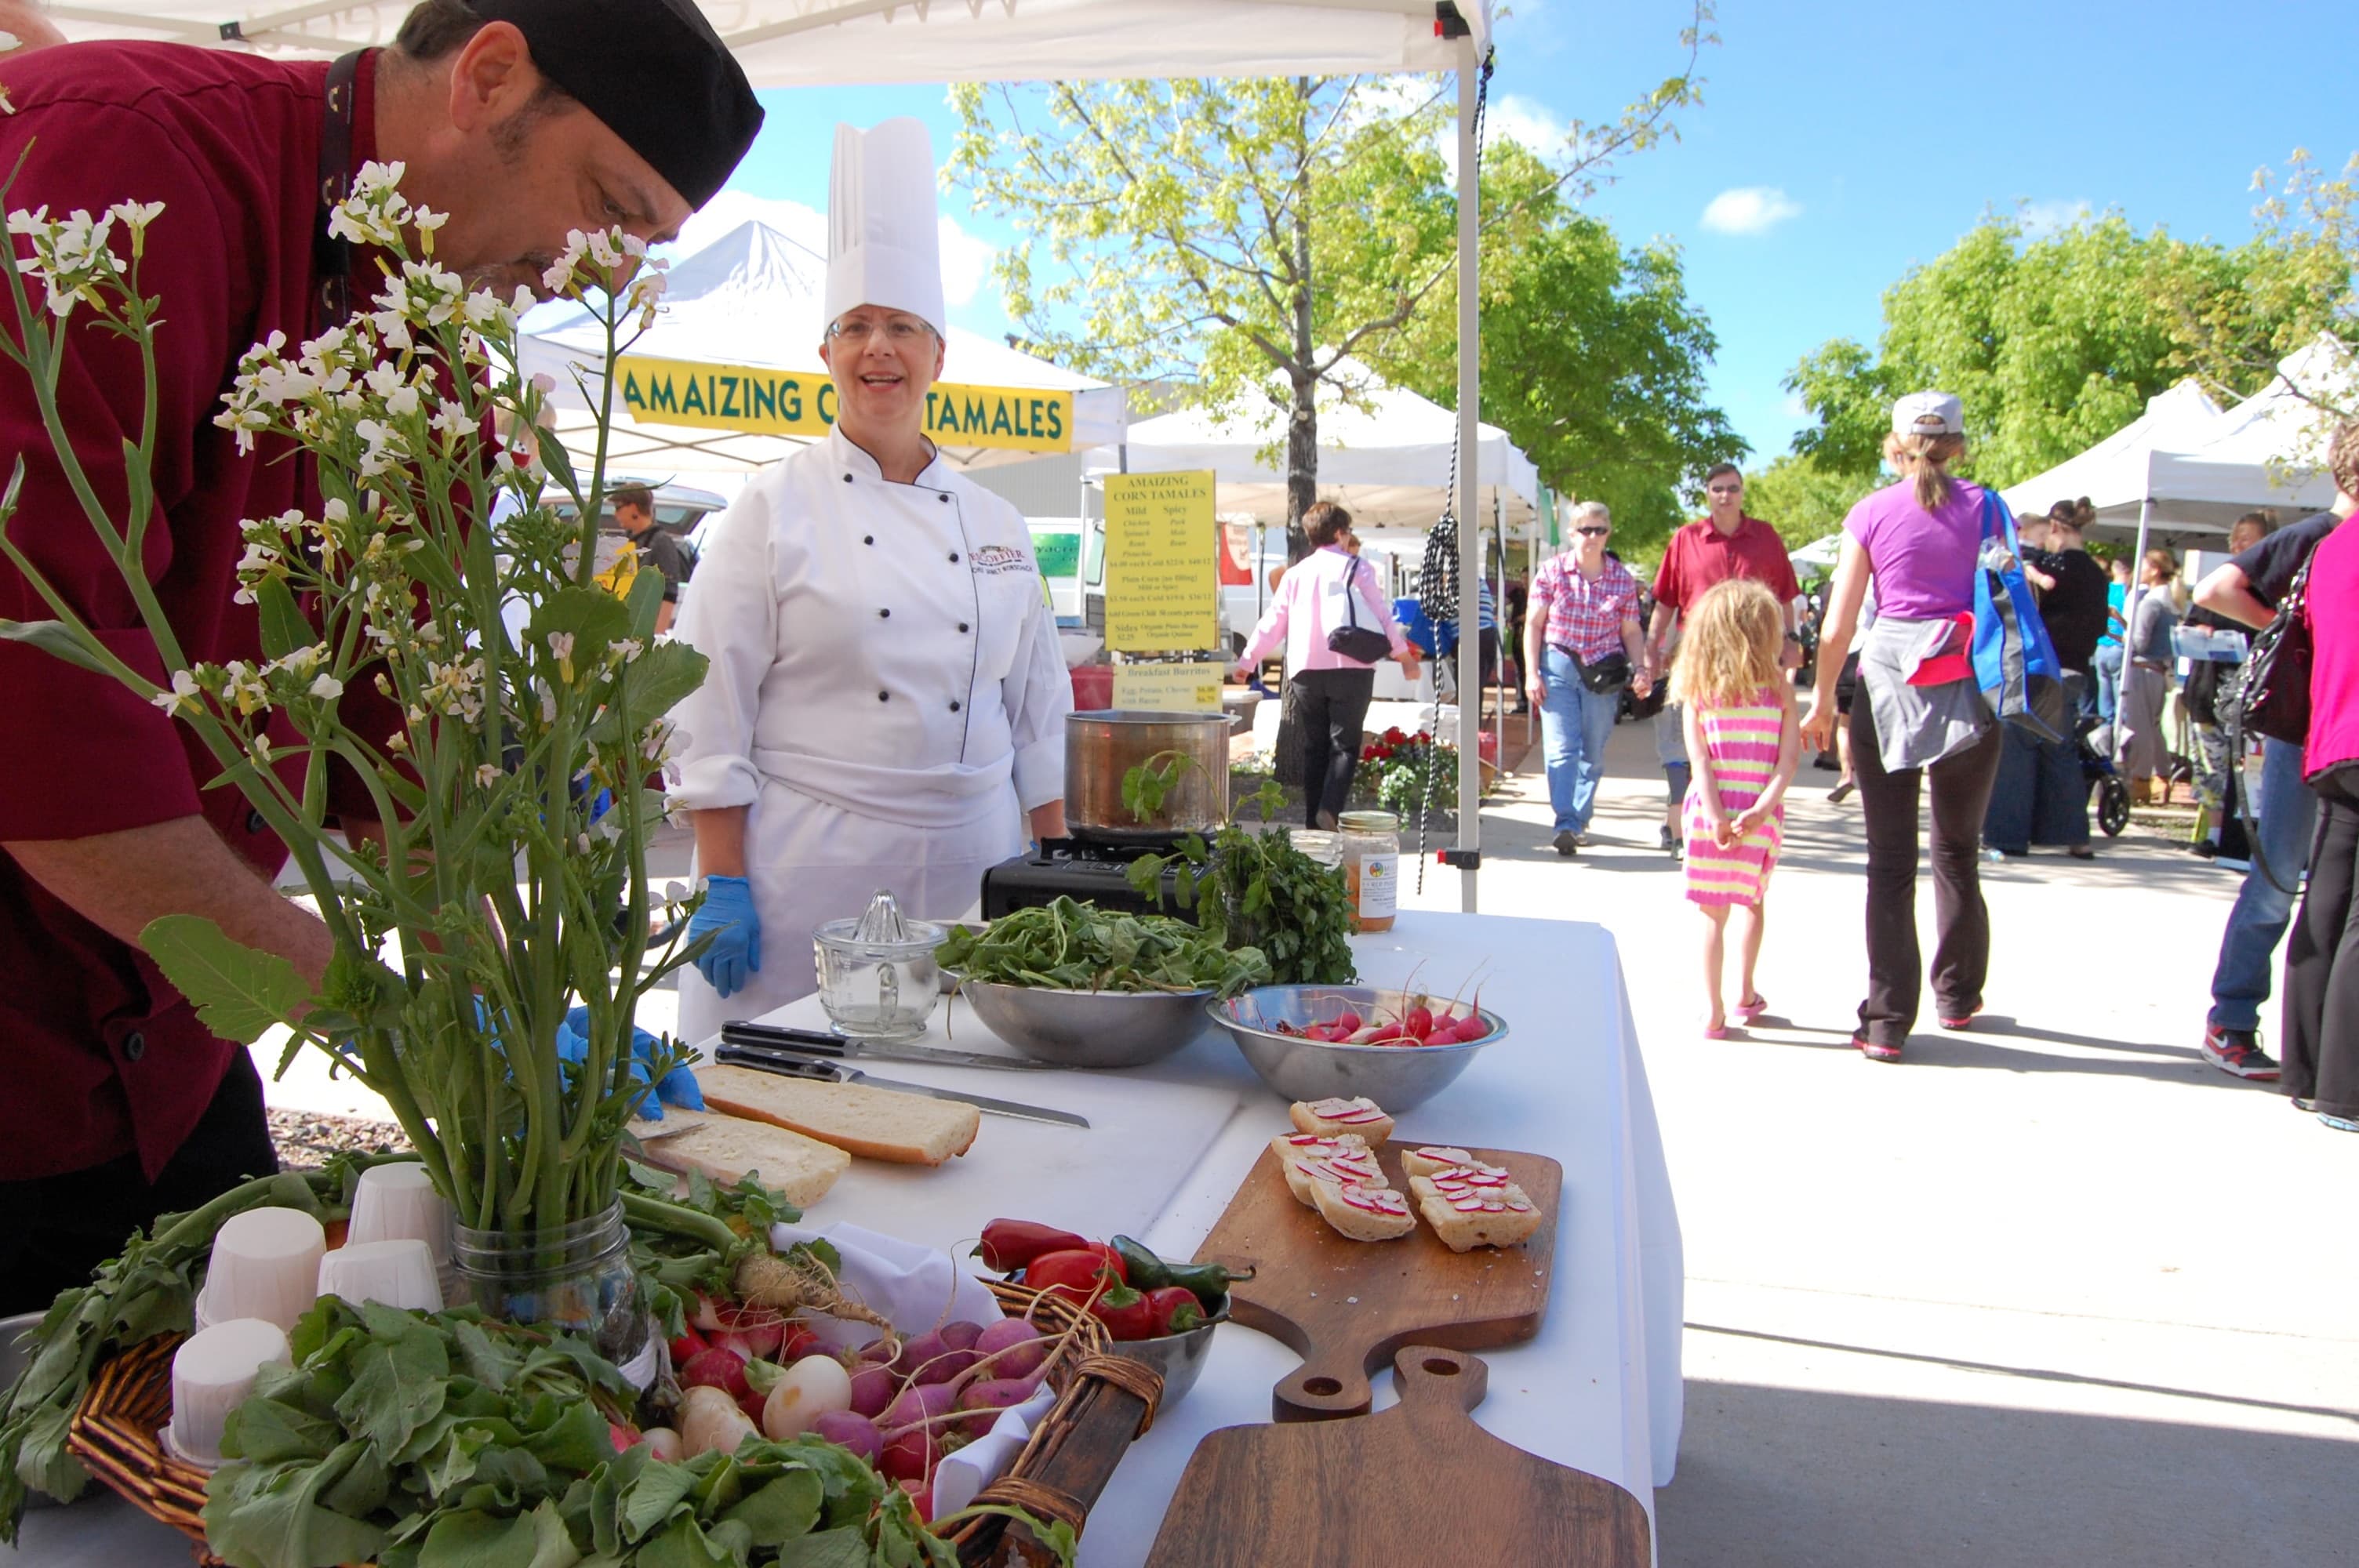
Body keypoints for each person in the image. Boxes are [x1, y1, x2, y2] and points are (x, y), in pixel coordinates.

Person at [0, 0, 762, 1315]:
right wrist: (369, 1006)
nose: (596, 271)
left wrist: (506, 1005)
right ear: (488, 73)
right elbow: (31, 705)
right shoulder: (129, 157)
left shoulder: (435, 358)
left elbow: (405, 747)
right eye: (605, 205)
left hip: (175, 1066)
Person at [671, 118, 1070, 1044]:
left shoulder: (995, 521)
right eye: (853, 328)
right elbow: (707, 701)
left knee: (960, 1091)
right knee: (784, 1104)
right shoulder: (769, 508)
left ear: (937, 355)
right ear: (826, 354)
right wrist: (720, 874)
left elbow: (1036, 709)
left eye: (899, 328)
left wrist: (1051, 865)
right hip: (810, 864)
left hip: (978, 863)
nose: (875, 349)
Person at [1802, 392, 2007, 1062]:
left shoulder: (1870, 513)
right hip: (1968, 679)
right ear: (1960, 447)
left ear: (1895, 447)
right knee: (1958, 850)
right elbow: (2007, 601)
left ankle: (1887, 1020)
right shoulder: (1991, 508)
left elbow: (1837, 626)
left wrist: (1823, 700)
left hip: (1888, 681)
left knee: (1890, 863)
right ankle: (1957, 995)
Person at [2188, 422, 2357, 1080]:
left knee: (2307, 885)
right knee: (2281, 882)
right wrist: (2292, 629)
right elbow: (2214, 589)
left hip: (2323, 729)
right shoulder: (2318, 535)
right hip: (2305, 730)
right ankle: (2231, 1017)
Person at [1645, 463, 1805, 851]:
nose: (1725, 496)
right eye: (1718, 489)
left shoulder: (1765, 537)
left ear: (1742, 492)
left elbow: (1785, 598)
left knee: (1743, 741)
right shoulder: (1687, 538)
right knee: (1690, 741)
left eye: (1733, 488)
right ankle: (1687, 819)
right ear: (1707, 493)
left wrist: (1791, 640)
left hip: (1756, 659)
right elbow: (1665, 602)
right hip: (1700, 655)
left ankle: (1746, 817)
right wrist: (1652, 649)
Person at [1234, 501, 1421, 829]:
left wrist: (1248, 661)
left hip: (1306, 670)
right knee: (1344, 745)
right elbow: (1381, 615)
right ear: (1338, 532)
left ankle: (1312, 823)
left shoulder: (1294, 574)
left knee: (1314, 745)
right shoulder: (1358, 568)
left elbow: (1273, 622)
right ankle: (1330, 809)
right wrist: (1403, 656)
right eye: (1348, 531)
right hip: (1352, 666)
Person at [1672, 580, 1801, 1037]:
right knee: (1752, 900)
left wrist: (1716, 816)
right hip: (1759, 817)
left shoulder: (1699, 693)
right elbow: (1788, 762)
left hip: (1710, 816)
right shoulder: (1781, 692)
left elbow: (1700, 762)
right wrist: (1762, 811)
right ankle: (1745, 992)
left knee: (1711, 914)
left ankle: (1713, 1010)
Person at [2283, 493, 2359, 1131]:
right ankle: (2345, 1091)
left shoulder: (2329, 548)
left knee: (2327, 906)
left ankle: (2305, 1072)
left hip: (2333, 738)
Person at [1525, 502, 1651, 856]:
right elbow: (1534, 625)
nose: (1591, 537)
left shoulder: (1621, 579)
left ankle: (1580, 815)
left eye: (1598, 530)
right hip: (1559, 667)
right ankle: (1565, 820)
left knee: (1592, 753)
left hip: (1602, 675)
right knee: (1562, 750)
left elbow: (1631, 631)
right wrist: (1532, 673)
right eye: (1585, 530)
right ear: (1572, 534)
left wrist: (1640, 668)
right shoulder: (1551, 572)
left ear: (1607, 534)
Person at [1982, 507, 2100, 859]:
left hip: (2040, 667)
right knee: (2060, 751)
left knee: (2017, 750)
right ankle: (2074, 834)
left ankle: (2007, 834)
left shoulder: (2048, 569)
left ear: (2054, 527)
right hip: (2078, 668)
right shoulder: (2097, 574)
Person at [2181, 512, 2274, 855]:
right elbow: (2190, 625)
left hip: (2248, 696)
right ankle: (2213, 838)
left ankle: (2242, 840)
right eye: (2235, 538)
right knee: (2210, 768)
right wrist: (2198, 633)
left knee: (2246, 770)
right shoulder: (2214, 584)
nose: (2238, 545)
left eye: (2246, 538)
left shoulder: (2269, 589)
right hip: (2207, 691)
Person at [2117, 549, 2183, 804]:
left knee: (2139, 728)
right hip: (2157, 671)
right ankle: (2161, 777)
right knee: (2153, 729)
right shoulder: (2168, 601)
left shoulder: (2150, 602)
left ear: (2154, 569)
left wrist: (2122, 629)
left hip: (2142, 670)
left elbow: (2139, 643)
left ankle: (2140, 781)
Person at [614, 482, 690, 636]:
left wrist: (656, 638)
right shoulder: (625, 540)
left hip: (644, 629)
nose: (615, 514)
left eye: (618, 508)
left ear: (634, 507)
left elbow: (669, 593)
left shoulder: (661, 542)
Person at [2094, 554, 2132, 724]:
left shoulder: (2103, 589)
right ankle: (2119, 727)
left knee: (2104, 690)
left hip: (2101, 645)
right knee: (2119, 692)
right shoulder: (2129, 592)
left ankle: (2105, 727)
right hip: (2119, 644)